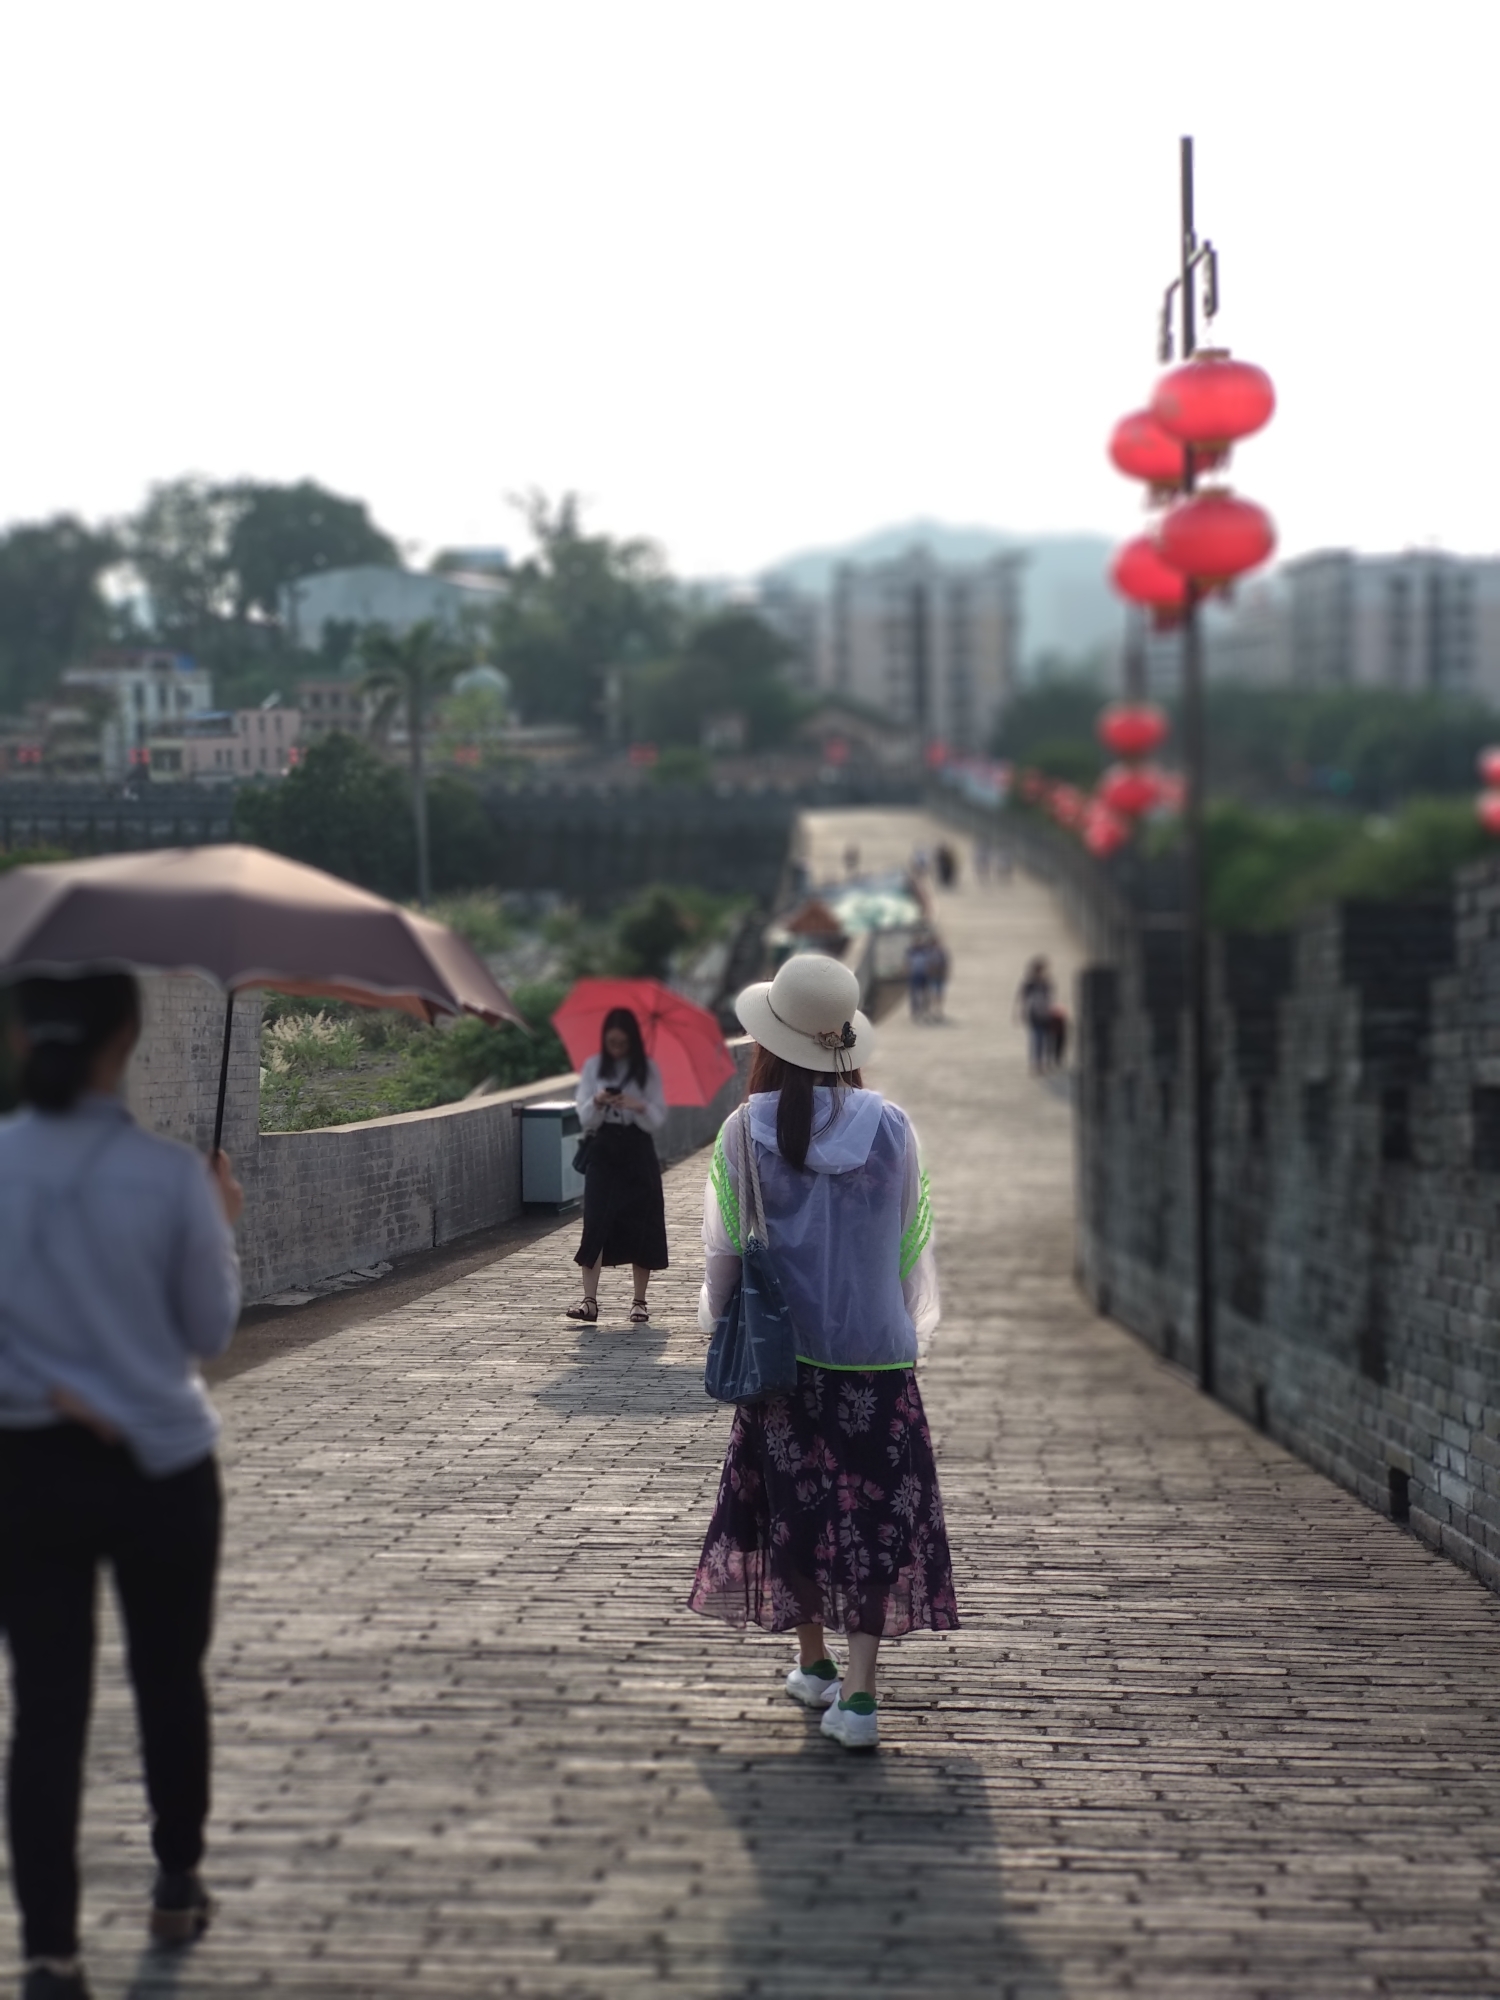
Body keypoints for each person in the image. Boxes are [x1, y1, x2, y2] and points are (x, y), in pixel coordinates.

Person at [0, 974, 244, 2000]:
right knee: (167, 1680)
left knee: (46, 1709)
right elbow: (208, 1330)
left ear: (22, 1037)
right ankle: (176, 1879)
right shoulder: (168, 1177)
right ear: (128, 1037)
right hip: (161, 1466)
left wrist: (40, 1387)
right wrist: (219, 1219)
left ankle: (51, 1952)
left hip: (27, 1468)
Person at [688, 955, 956, 1751]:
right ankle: (861, 1699)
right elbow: (910, 1244)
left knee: (791, 1512)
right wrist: (900, 1324)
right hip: (877, 1361)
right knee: (877, 1520)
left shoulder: (743, 1133)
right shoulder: (892, 1127)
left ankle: (815, 1664)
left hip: (784, 1365)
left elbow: (723, 1258)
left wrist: (716, 1326)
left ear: (769, 1042)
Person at [567, 1006, 669, 1325]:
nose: (617, 1049)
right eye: (612, 1043)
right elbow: (584, 1117)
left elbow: (657, 1118)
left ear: (632, 1041)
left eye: (622, 1043)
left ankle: (639, 1301)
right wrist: (597, 1101)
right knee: (596, 1220)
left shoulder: (647, 1069)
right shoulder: (594, 1066)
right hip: (604, 1148)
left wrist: (638, 1106)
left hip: (638, 1148)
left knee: (643, 1221)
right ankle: (589, 1301)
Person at [1015, 957, 1057, 1074]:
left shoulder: (1045, 983)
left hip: (1045, 1014)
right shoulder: (1030, 983)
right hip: (1035, 1015)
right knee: (1037, 1039)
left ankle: (1042, 1063)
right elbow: (1023, 999)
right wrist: (1021, 1012)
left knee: (1045, 1040)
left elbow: (1050, 998)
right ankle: (1037, 1063)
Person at [905, 934, 932, 1022]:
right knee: (914, 994)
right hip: (914, 975)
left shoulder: (925, 951)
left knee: (925, 994)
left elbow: (929, 962)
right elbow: (907, 963)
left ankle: (924, 1010)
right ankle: (915, 1011)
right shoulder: (911, 951)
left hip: (924, 975)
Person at [927, 935, 951, 1023]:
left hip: (939, 976)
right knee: (932, 994)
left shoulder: (941, 952)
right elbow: (927, 964)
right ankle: (933, 1010)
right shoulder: (929, 952)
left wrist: (945, 973)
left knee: (939, 994)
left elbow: (945, 963)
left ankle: (938, 1010)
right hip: (932, 976)